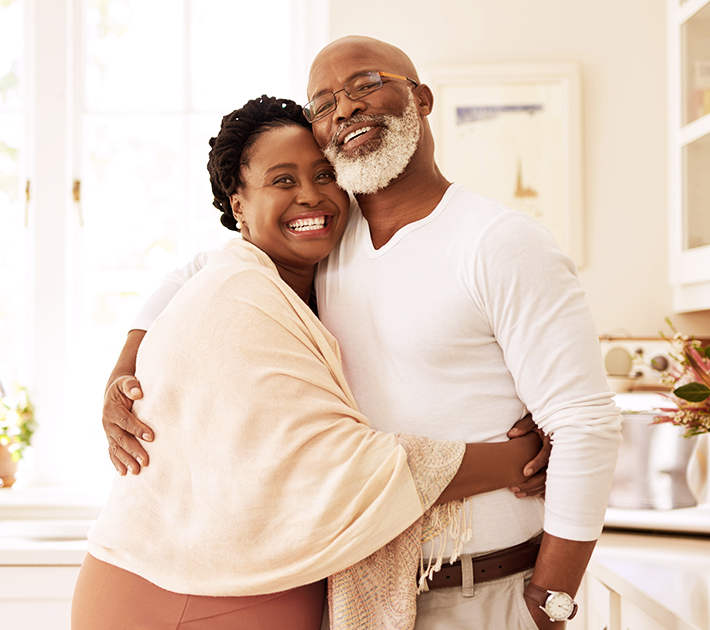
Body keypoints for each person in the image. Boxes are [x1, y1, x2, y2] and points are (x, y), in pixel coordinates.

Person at [103, 36, 622, 630]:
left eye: (366, 84)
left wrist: (550, 600)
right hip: (363, 592)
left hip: (492, 592)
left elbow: (586, 424)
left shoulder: (498, 244)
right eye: (322, 104)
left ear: (421, 98)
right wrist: (124, 367)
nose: (344, 108)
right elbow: (197, 271)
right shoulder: (327, 239)